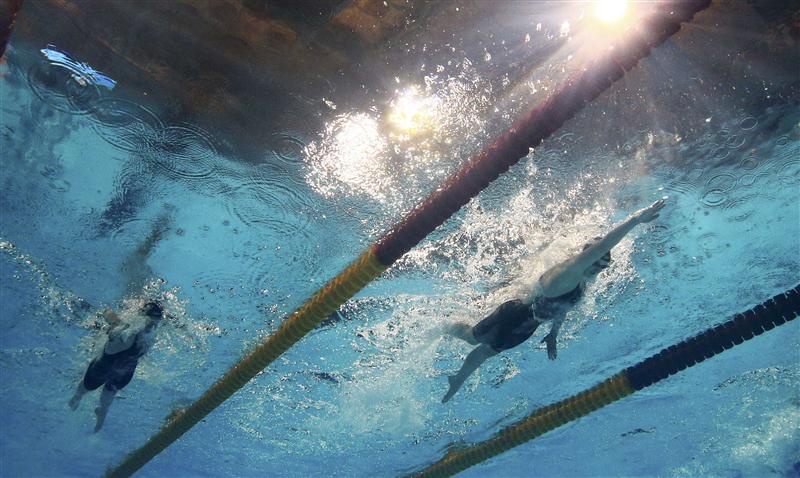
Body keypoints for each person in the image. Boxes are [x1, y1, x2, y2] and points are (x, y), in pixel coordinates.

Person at [442, 199, 666, 403]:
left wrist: (554, 334)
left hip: (527, 328)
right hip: (514, 316)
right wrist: (636, 220)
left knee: (486, 352)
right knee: (472, 338)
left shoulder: (582, 283)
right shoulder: (567, 273)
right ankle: (443, 326)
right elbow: (605, 244)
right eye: (598, 261)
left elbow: (562, 307)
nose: (600, 269)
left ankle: (457, 379)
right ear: (589, 256)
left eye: (604, 266)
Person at [68, 213, 171, 431]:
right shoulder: (132, 328)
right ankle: (85, 403)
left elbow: (118, 321)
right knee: (94, 387)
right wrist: (107, 318)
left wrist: (109, 318)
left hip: (120, 365)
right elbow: (114, 320)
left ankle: (96, 410)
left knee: (104, 389)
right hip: (117, 362)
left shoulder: (140, 330)